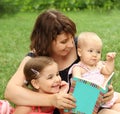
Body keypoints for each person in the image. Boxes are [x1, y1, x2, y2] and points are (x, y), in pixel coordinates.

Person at [4, 9, 116, 114]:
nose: (71, 44)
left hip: (92, 106)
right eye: (63, 42)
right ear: (47, 41)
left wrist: (107, 91)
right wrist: (51, 100)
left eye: (72, 38)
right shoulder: (36, 58)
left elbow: (98, 70)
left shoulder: (80, 46)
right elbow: (11, 92)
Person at [69, 32, 120, 113]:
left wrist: (110, 61)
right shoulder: (78, 68)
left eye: (98, 52)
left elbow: (108, 71)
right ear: (80, 52)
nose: (95, 55)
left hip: (104, 97)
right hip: (90, 101)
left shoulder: (98, 65)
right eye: (90, 51)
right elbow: (77, 84)